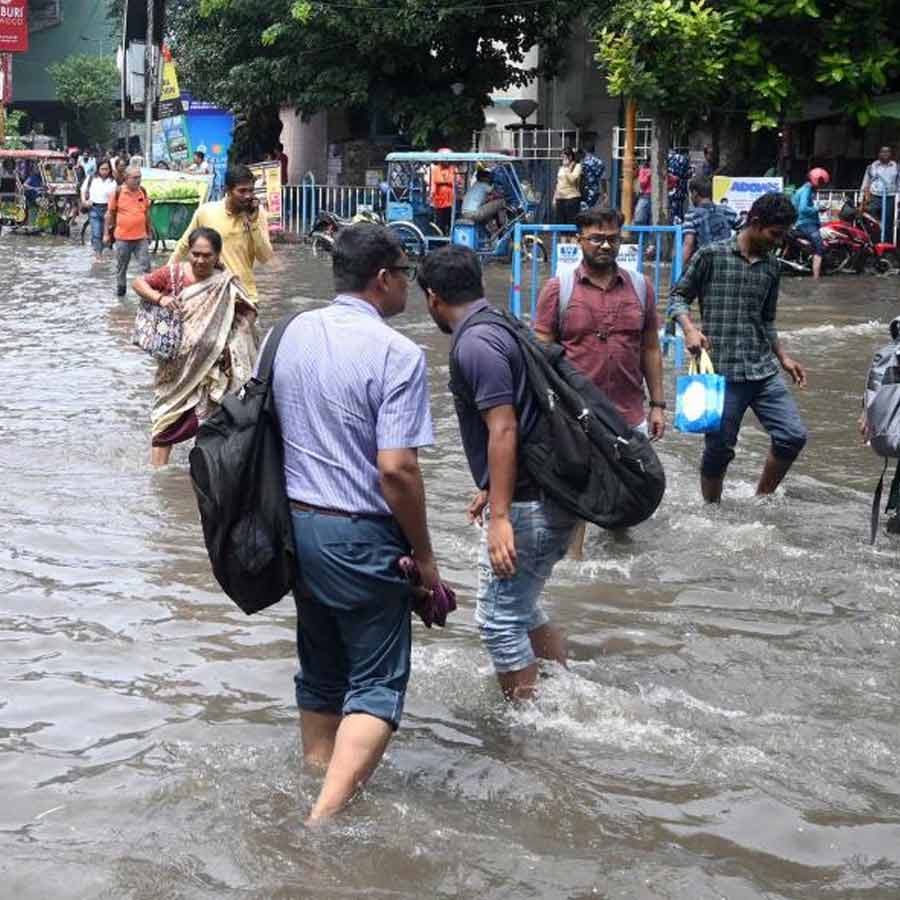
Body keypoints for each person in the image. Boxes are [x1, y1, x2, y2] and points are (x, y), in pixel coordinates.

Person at [270, 223, 439, 822]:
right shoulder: (398, 353)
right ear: (383, 279)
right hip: (361, 536)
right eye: (406, 274)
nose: (410, 287)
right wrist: (425, 557)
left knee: (320, 671)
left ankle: (316, 784)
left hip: (296, 530)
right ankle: (324, 820)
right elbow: (397, 470)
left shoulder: (290, 333)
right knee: (375, 683)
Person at [418, 244, 576, 701]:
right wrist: (490, 485)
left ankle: (531, 725)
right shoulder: (501, 323)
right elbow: (525, 419)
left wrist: (502, 516)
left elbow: (504, 426)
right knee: (522, 608)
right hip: (544, 494)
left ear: (432, 298)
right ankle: (563, 691)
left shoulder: (475, 343)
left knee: (498, 619)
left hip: (529, 505)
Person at [667, 192, 808, 503]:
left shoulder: (772, 266)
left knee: (792, 436)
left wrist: (783, 357)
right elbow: (677, 297)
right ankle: (712, 513)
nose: (778, 241)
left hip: (763, 370)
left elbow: (767, 319)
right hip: (721, 372)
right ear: (755, 223)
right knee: (719, 449)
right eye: (775, 234)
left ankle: (762, 499)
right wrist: (689, 330)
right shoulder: (711, 256)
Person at [534, 207, 666, 440]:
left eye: (613, 239)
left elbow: (651, 348)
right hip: (576, 419)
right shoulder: (558, 289)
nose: (605, 246)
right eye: (596, 238)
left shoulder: (641, 287)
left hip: (630, 419)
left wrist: (657, 405)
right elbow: (541, 358)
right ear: (579, 241)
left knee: (637, 476)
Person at [133, 227, 258, 467]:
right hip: (175, 370)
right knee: (165, 421)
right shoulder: (173, 275)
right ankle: (159, 477)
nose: (200, 260)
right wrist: (161, 298)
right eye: (195, 254)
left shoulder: (226, 284)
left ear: (218, 255)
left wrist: (233, 342)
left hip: (213, 369)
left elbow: (248, 313)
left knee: (208, 422)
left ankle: (202, 473)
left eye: (207, 255)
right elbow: (139, 283)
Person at [170, 164, 273, 302]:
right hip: (211, 297)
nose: (248, 196)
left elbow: (265, 257)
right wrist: (166, 279)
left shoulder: (258, 215)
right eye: (242, 191)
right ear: (228, 190)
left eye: (250, 191)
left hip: (245, 297)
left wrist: (253, 223)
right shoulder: (206, 212)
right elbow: (184, 246)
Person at [105, 166, 152, 297]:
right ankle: (121, 292)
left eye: (140, 177)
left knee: (146, 267)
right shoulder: (118, 192)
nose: (138, 181)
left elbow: (146, 213)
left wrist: (149, 232)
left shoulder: (142, 191)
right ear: (126, 179)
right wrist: (106, 233)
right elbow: (109, 214)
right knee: (121, 267)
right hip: (123, 238)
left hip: (141, 237)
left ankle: (147, 294)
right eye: (135, 178)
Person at [682, 176, 739, 268]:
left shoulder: (692, 215)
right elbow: (746, 228)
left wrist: (679, 273)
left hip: (704, 266)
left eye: (691, 194)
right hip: (727, 264)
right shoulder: (726, 211)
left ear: (695, 193)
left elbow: (688, 245)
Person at [791, 167, 829, 279]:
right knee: (820, 247)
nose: (821, 186)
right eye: (822, 183)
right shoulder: (806, 190)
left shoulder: (803, 189)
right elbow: (803, 209)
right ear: (817, 180)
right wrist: (818, 209)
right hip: (806, 224)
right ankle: (816, 278)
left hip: (802, 223)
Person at [81, 158, 117, 262]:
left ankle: (102, 251)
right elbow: (83, 190)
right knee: (96, 233)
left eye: (107, 169)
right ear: (98, 169)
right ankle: (98, 255)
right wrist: (84, 201)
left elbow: (112, 197)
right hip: (94, 208)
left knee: (106, 234)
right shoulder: (91, 178)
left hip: (108, 208)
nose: (104, 171)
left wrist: (110, 211)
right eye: (102, 169)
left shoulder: (112, 181)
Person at [861, 146, 898, 241]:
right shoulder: (871, 167)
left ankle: (887, 245)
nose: (885, 153)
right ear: (879, 154)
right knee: (872, 221)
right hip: (874, 196)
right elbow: (866, 182)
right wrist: (864, 196)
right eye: (883, 151)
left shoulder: (896, 167)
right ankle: (873, 243)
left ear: (891, 154)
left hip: (890, 197)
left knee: (888, 222)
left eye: (888, 151)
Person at [460, 168, 506, 233]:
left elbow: (482, 198)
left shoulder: (474, 185)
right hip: (474, 213)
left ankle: (490, 228)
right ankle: (503, 227)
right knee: (501, 202)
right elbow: (498, 195)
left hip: (465, 213)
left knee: (489, 209)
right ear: (485, 178)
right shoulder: (484, 185)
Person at [429, 151, 456, 235]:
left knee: (450, 220)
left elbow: (456, 181)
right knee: (440, 221)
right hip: (439, 201)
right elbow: (434, 183)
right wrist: (431, 196)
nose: (446, 161)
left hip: (451, 200)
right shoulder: (435, 169)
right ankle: (440, 235)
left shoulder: (453, 169)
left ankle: (450, 233)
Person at [553, 148, 582, 226]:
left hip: (571, 198)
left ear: (570, 157)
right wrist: (554, 198)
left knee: (571, 224)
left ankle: (572, 238)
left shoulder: (577, 166)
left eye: (564, 157)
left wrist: (566, 169)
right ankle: (563, 238)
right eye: (561, 157)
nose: (562, 159)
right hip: (560, 198)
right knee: (561, 225)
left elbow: (572, 180)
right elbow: (558, 183)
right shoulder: (561, 168)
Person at [580, 144, 607, 209]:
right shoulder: (599, 162)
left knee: (582, 212)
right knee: (592, 211)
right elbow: (603, 179)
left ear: (584, 150)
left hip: (582, 190)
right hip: (594, 190)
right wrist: (605, 192)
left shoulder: (581, 162)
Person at [633, 158, 652, 225]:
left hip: (656, 197)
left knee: (651, 219)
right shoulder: (643, 170)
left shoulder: (660, 171)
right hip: (645, 196)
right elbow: (642, 183)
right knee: (639, 217)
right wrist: (648, 175)